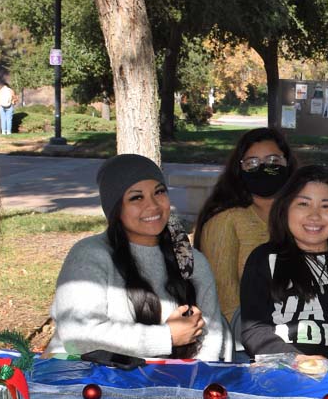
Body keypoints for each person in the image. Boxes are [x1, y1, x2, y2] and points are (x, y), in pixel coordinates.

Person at [48, 154, 227, 360]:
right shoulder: (89, 255)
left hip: (175, 378)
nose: (153, 206)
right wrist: (166, 336)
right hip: (91, 377)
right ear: (116, 208)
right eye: (136, 197)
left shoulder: (190, 260)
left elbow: (211, 337)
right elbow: (77, 335)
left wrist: (194, 377)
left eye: (159, 192)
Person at [239, 165, 328, 367]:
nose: (314, 215)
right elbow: (254, 329)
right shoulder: (264, 259)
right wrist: (297, 360)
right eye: (303, 204)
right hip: (282, 370)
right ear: (285, 208)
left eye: (326, 206)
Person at [194, 128, 298, 321]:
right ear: (239, 169)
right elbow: (226, 304)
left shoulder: (304, 215)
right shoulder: (226, 221)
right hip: (252, 333)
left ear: (287, 163)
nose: (264, 168)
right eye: (252, 163)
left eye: (273, 160)